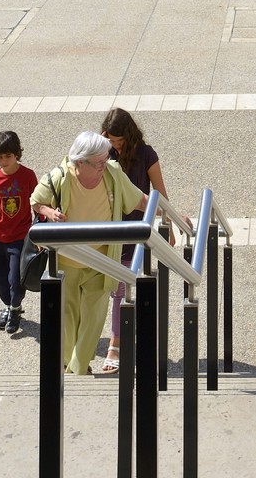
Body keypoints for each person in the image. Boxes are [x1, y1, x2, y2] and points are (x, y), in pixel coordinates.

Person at [29, 130, 148, 376]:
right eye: (98, 163)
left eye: (106, 159)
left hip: (101, 261)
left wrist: (169, 213)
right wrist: (49, 212)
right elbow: (35, 201)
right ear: (80, 162)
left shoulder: (112, 173)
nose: (104, 165)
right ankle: (64, 366)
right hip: (66, 261)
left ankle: (79, 369)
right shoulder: (59, 176)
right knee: (68, 320)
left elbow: (139, 200)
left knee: (93, 322)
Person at [99, 107, 187, 376]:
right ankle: (118, 340)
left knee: (122, 289)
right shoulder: (103, 153)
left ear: (128, 134)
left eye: (118, 140)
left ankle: (116, 344)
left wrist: (169, 224)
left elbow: (159, 192)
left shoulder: (146, 154)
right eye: (110, 139)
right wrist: (103, 146)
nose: (115, 144)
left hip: (137, 229)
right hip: (110, 226)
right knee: (112, 287)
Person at [0, 129, 39, 336]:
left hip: (20, 236)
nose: (4, 161)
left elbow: (38, 204)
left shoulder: (28, 176)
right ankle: (10, 305)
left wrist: (39, 235)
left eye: (8, 156)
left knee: (15, 278)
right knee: (1, 281)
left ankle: (14, 309)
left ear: (17, 155)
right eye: (0, 157)